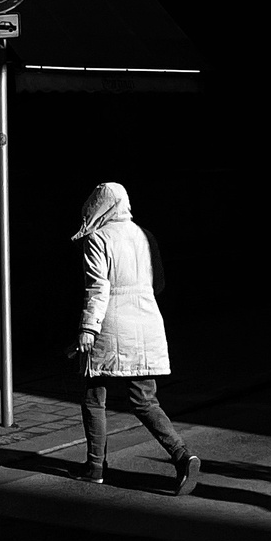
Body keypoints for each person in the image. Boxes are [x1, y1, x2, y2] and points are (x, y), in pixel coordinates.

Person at [65, 181, 200, 495]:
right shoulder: (145, 235)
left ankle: (95, 467)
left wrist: (87, 329)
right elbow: (159, 284)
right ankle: (182, 456)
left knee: (94, 397)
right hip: (147, 324)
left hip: (110, 326)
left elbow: (98, 288)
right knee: (145, 400)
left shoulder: (98, 238)